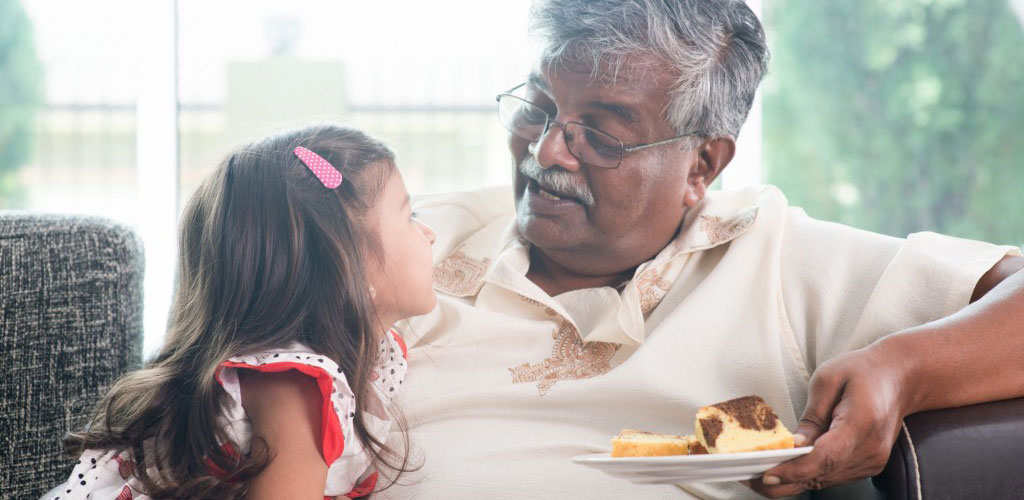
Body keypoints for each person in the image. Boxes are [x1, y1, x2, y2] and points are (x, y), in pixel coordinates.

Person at [380, 0, 1024, 499]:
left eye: (601, 135)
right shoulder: (401, 241)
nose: (547, 150)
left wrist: (904, 369)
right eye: (537, 107)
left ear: (703, 164)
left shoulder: (775, 258)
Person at [45, 124, 437, 500]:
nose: (430, 233)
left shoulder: (350, 368)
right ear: (352, 264)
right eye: (410, 216)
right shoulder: (296, 387)